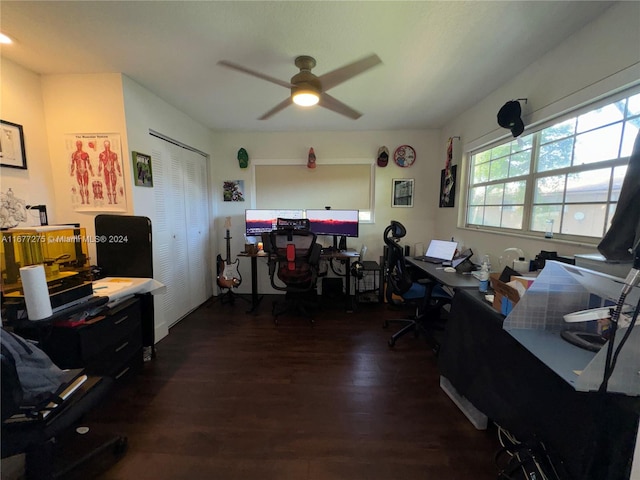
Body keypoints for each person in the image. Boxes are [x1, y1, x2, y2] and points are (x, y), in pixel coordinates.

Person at [69, 140, 94, 204]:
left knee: (86, 187)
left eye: (80, 145)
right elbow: (72, 164)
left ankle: (87, 200)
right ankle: (83, 200)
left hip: (85, 171)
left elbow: (89, 164)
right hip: (78, 171)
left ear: (81, 145)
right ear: (76, 145)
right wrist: (71, 172)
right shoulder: (74, 154)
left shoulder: (85, 154)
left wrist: (91, 172)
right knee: (80, 186)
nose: (79, 146)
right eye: (77, 145)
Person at [97, 140, 122, 204]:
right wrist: (99, 171)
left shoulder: (114, 154)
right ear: (104, 146)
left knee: (113, 186)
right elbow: (100, 164)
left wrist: (119, 171)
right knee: (108, 186)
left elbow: (117, 164)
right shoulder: (101, 154)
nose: (107, 147)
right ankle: (110, 201)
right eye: (105, 145)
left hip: (112, 170)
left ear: (110, 145)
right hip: (106, 171)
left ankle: (115, 200)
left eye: (108, 145)